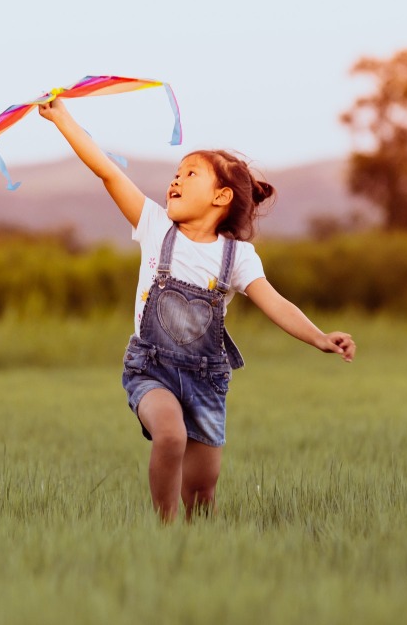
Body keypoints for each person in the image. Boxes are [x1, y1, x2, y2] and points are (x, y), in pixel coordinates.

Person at [38, 98, 356, 522]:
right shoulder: (155, 227)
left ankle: (195, 544)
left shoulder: (238, 257)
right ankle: (165, 532)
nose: (176, 180)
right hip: (152, 369)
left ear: (221, 196)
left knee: (203, 493)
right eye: (175, 173)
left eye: (191, 174)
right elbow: (107, 170)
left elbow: (276, 302)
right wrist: (62, 118)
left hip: (205, 381)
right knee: (168, 436)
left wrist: (319, 337)